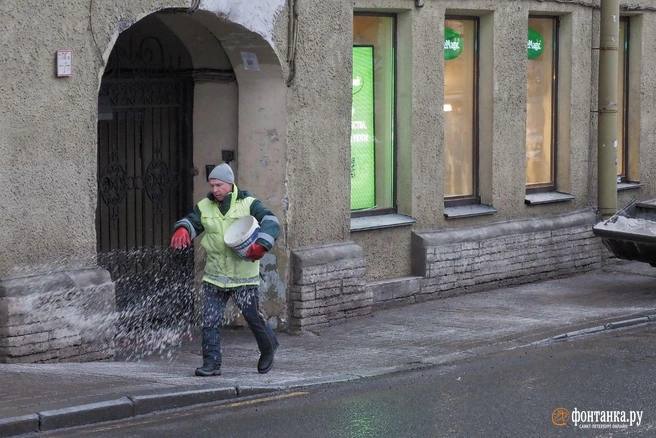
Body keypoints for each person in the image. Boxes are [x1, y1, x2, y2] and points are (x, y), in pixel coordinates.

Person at [170, 163, 280, 377]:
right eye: (212, 185)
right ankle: (211, 364)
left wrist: (263, 244)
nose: (215, 190)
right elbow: (192, 221)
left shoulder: (248, 204)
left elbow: (271, 221)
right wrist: (183, 228)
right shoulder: (204, 207)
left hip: (243, 277)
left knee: (253, 318)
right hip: (215, 276)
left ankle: (268, 347)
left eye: (219, 185)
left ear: (230, 184)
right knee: (209, 322)